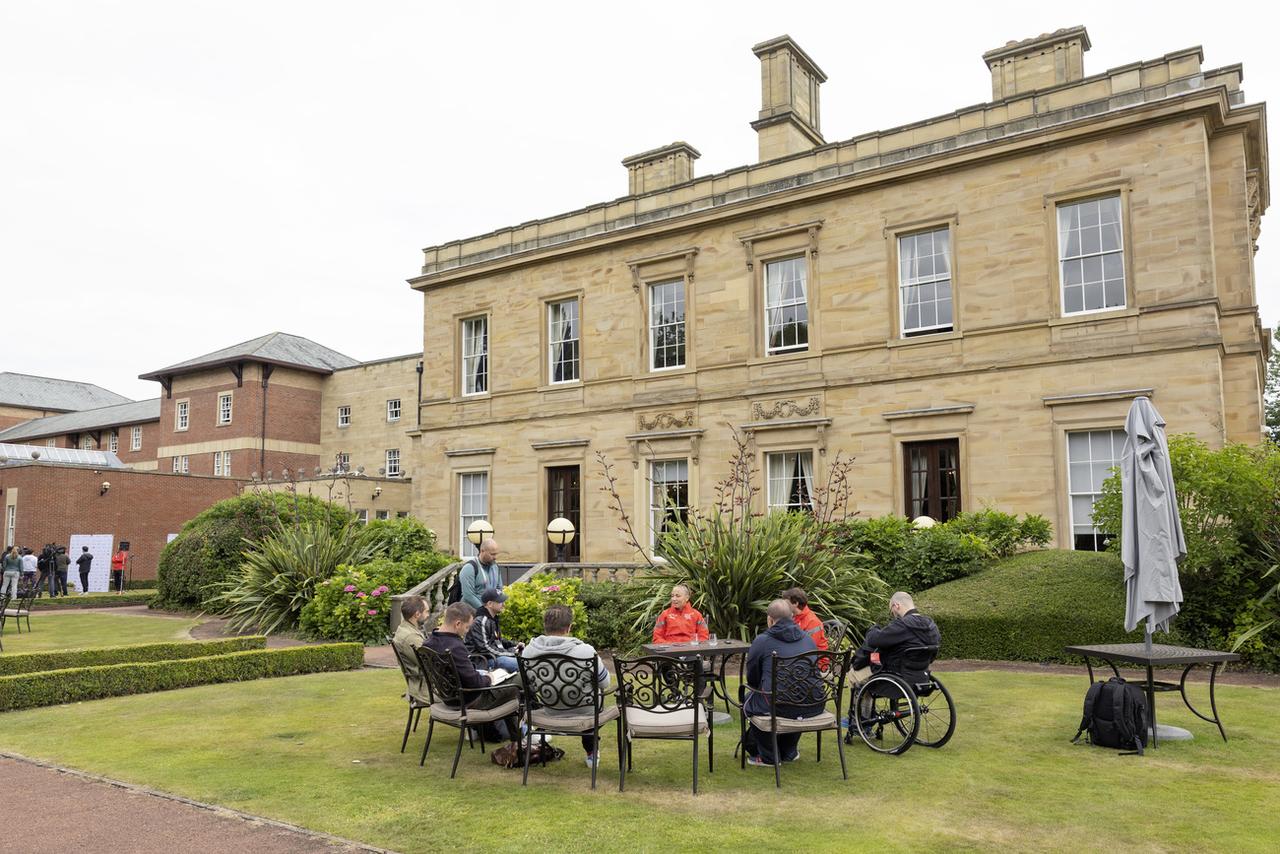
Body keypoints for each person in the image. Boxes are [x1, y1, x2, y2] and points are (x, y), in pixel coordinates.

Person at [522, 604, 612, 768]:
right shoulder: (586, 651)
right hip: (585, 710)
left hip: (550, 708)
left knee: (587, 700)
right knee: (594, 701)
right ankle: (592, 752)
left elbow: (530, 687)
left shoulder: (528, 652)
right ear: (569, 627)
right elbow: (605, 683)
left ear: (545, 626)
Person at [424, 601, 521, 743]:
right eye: (467, 626)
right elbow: (475, 683)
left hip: (449, 697)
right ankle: (523, 736)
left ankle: (513, 735)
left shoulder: (428, 643)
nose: (468, 631)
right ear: (457, 624)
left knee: (507, 685)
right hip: (470, 700)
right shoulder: (455, 646)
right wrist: (490, 677)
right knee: (519, 680)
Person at [743, 599, 825, 767]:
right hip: (814, 703)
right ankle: (789, 750)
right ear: (792, 616)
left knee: (749, 699)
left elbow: (752, 677)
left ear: (770, 619)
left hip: (779, 704)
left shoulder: (762, 641)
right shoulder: (808, 640)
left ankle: (769, 756)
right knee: (794, 696)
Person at [851, 591, 942, 684]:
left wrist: (874, 629)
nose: (893, 614)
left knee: (853, 674)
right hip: (921, 674)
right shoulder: (931, 625)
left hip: (896, 675)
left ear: (896, 605)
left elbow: (874, 640)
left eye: (891, 610)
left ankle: (862, 695)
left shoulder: (902, 625)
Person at [465, 589, 520, 673]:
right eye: (500, 602)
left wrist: (515, 645)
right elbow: (485, 648)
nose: (504, 604)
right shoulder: (480, 621)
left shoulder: (493, 619)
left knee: (523, 657)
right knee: (519, 664)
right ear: (490, 604)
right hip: (482, 661)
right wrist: (511, 653)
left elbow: (497, 641)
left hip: (492, 656)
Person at [392, 595, 431, 703]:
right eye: (427, 612)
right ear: (417, 614)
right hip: (426, 690)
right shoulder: (411, 637)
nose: (428, 615)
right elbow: (431, 663)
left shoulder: (404, 628)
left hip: (422, 684)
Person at [460, 539, 504, 610]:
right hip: (471, 614)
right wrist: (484, 610)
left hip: (490, 612)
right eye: (492, 554)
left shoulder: (495, 567)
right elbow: (468, 595)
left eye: (496, 554)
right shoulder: (469, 568)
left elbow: (499, 589)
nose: (495, 557)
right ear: (482, 551)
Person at [783, 587, 828, 651]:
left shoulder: (813, 622)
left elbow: (808, 647)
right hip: (798, 654)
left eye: (786, 603)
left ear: (796, 603)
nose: (784, 605)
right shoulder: (793, 616)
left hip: (815, 658)